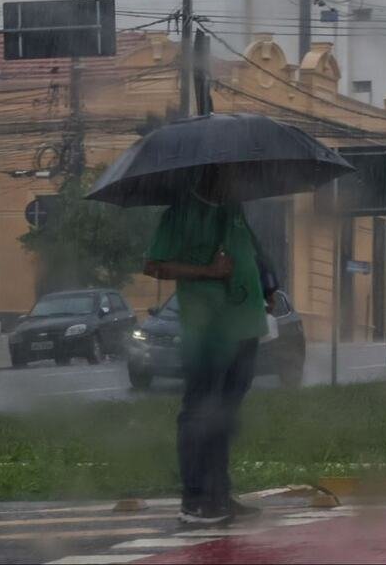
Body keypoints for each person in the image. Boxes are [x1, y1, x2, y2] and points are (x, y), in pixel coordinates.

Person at [144, 164, 274, 527]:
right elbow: (154, 265)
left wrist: (269, 288)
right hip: (208, 332)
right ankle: (196, 499)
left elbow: (252, 252)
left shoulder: (233, 209)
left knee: (225, 413)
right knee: (200, 411)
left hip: (245, 325)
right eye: (231, 174)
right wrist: (208, 273)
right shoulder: (180, 213)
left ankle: (220, 493)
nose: (239, 179)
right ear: (209, 174)